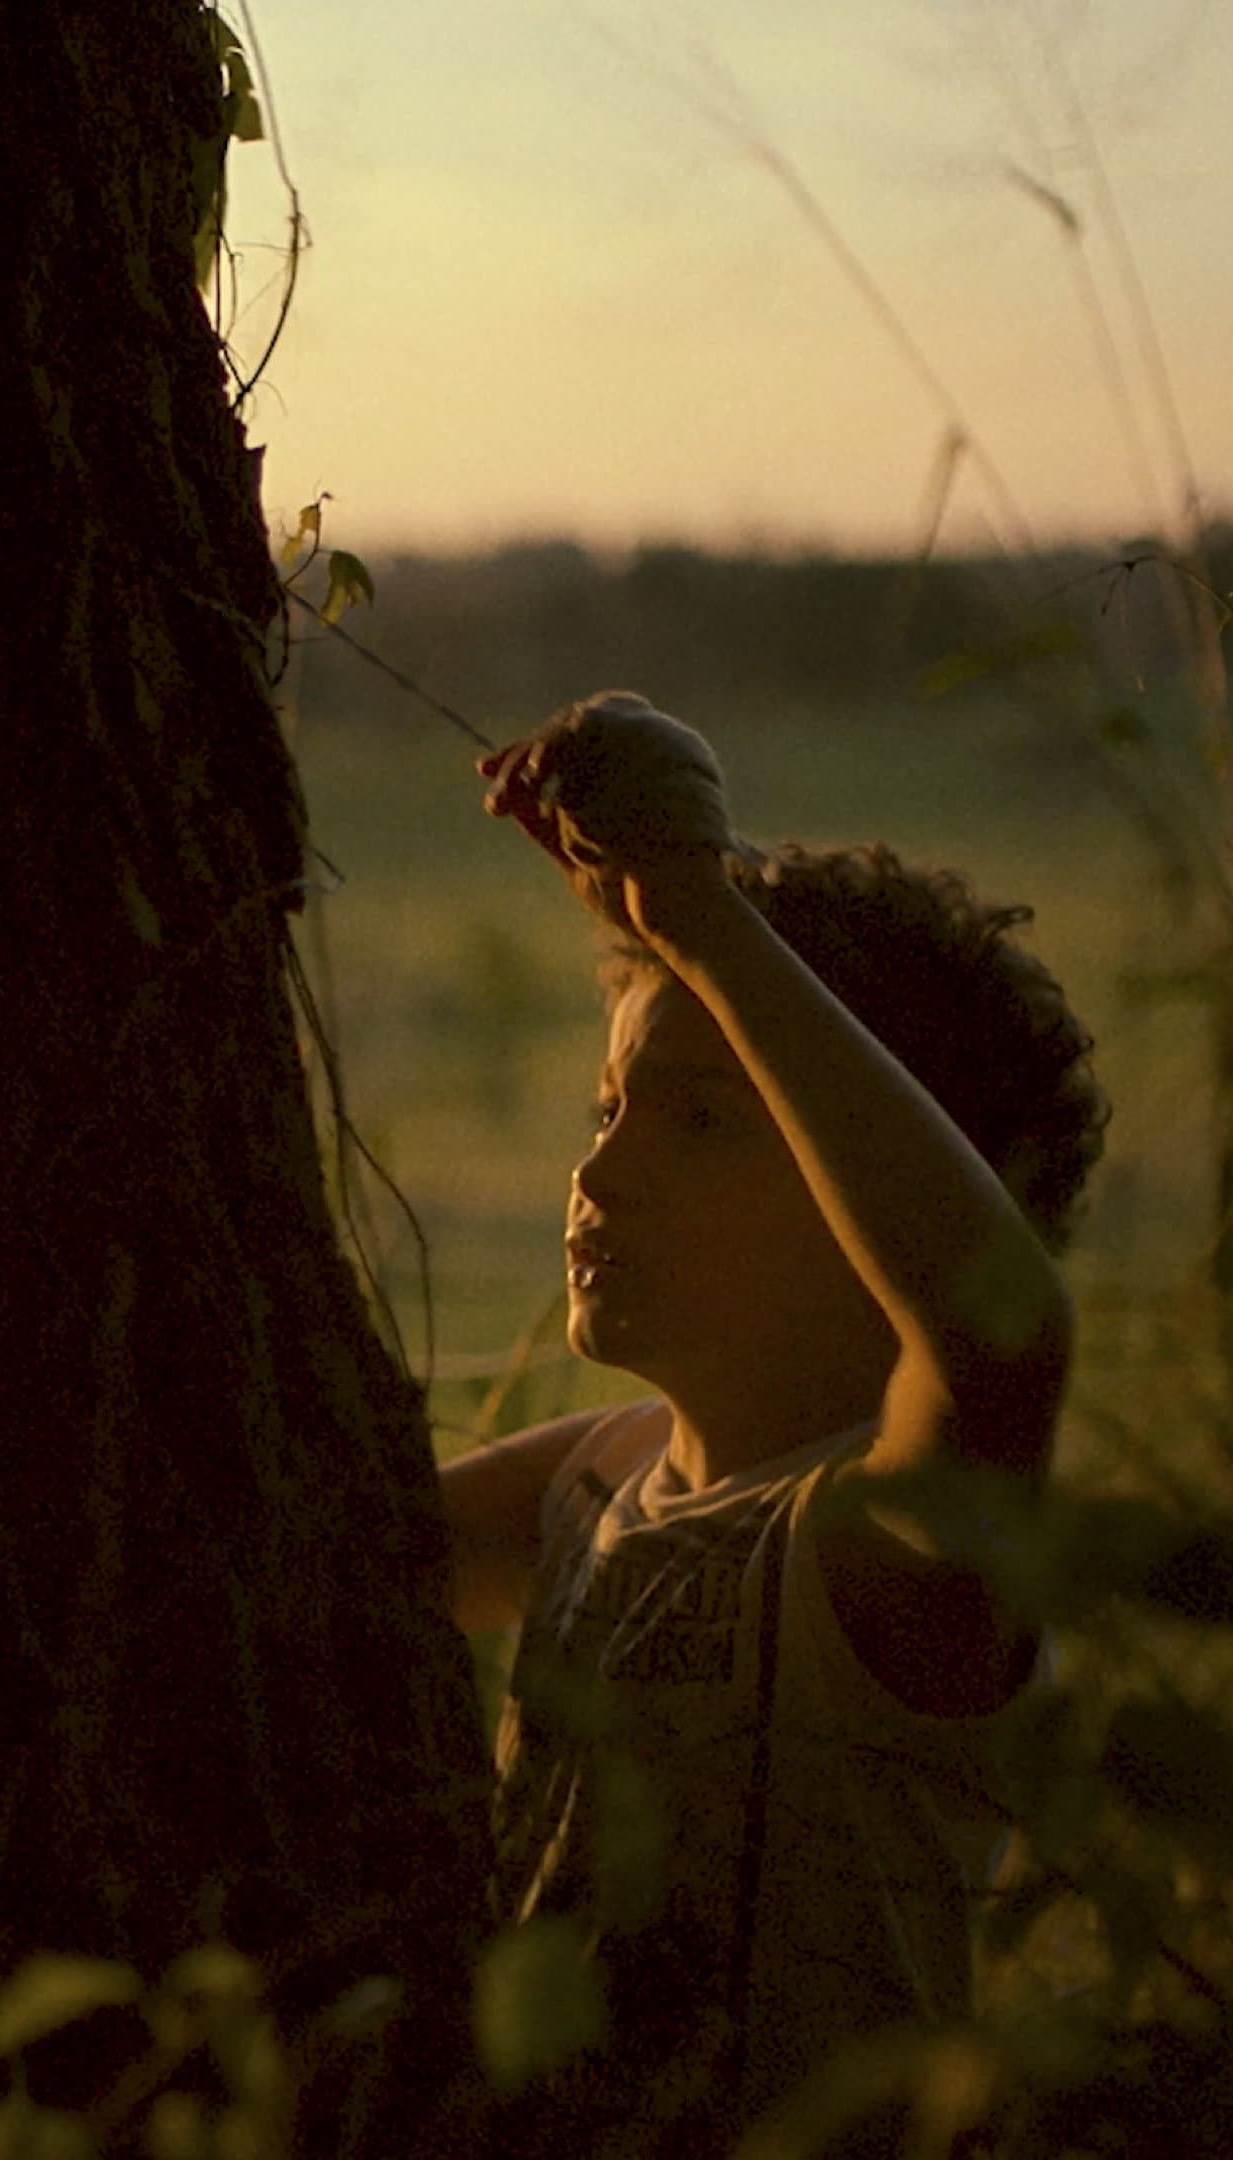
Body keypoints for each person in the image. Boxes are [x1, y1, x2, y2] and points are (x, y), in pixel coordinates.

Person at [436, 693, 1107, 2156]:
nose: (599, 1174)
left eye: (703, 1124)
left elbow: (1001, 1335)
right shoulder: (598, 1477)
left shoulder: (883, 1547)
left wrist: (706, 922)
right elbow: (332, 1546)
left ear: (868, 1188)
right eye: (610, 1107)